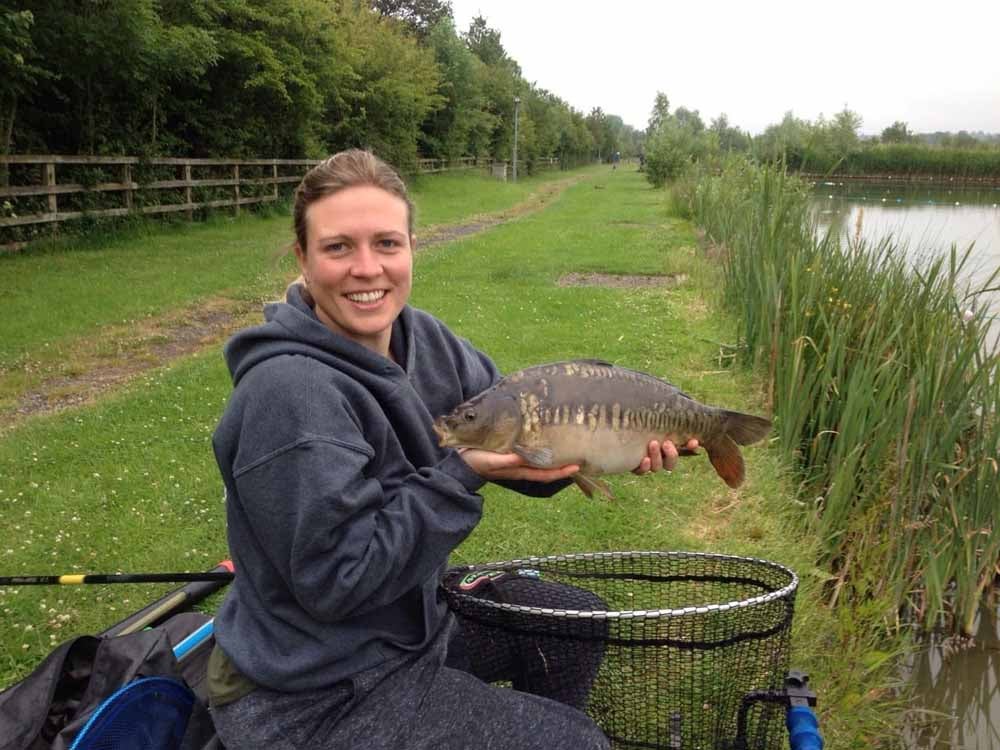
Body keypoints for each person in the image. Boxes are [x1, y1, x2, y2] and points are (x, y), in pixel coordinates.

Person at [207, 149, 698, 749]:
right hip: (310, 693)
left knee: (575, 626)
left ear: (412, 246)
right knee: (578, 745)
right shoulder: (289, 396)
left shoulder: (425, 339)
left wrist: (586, 453)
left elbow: (509, 443)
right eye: (339, 247)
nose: (368, 269)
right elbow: (339, 583)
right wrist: (457, 476)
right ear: (303, 260)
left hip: (410, 625)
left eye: (387, 244)